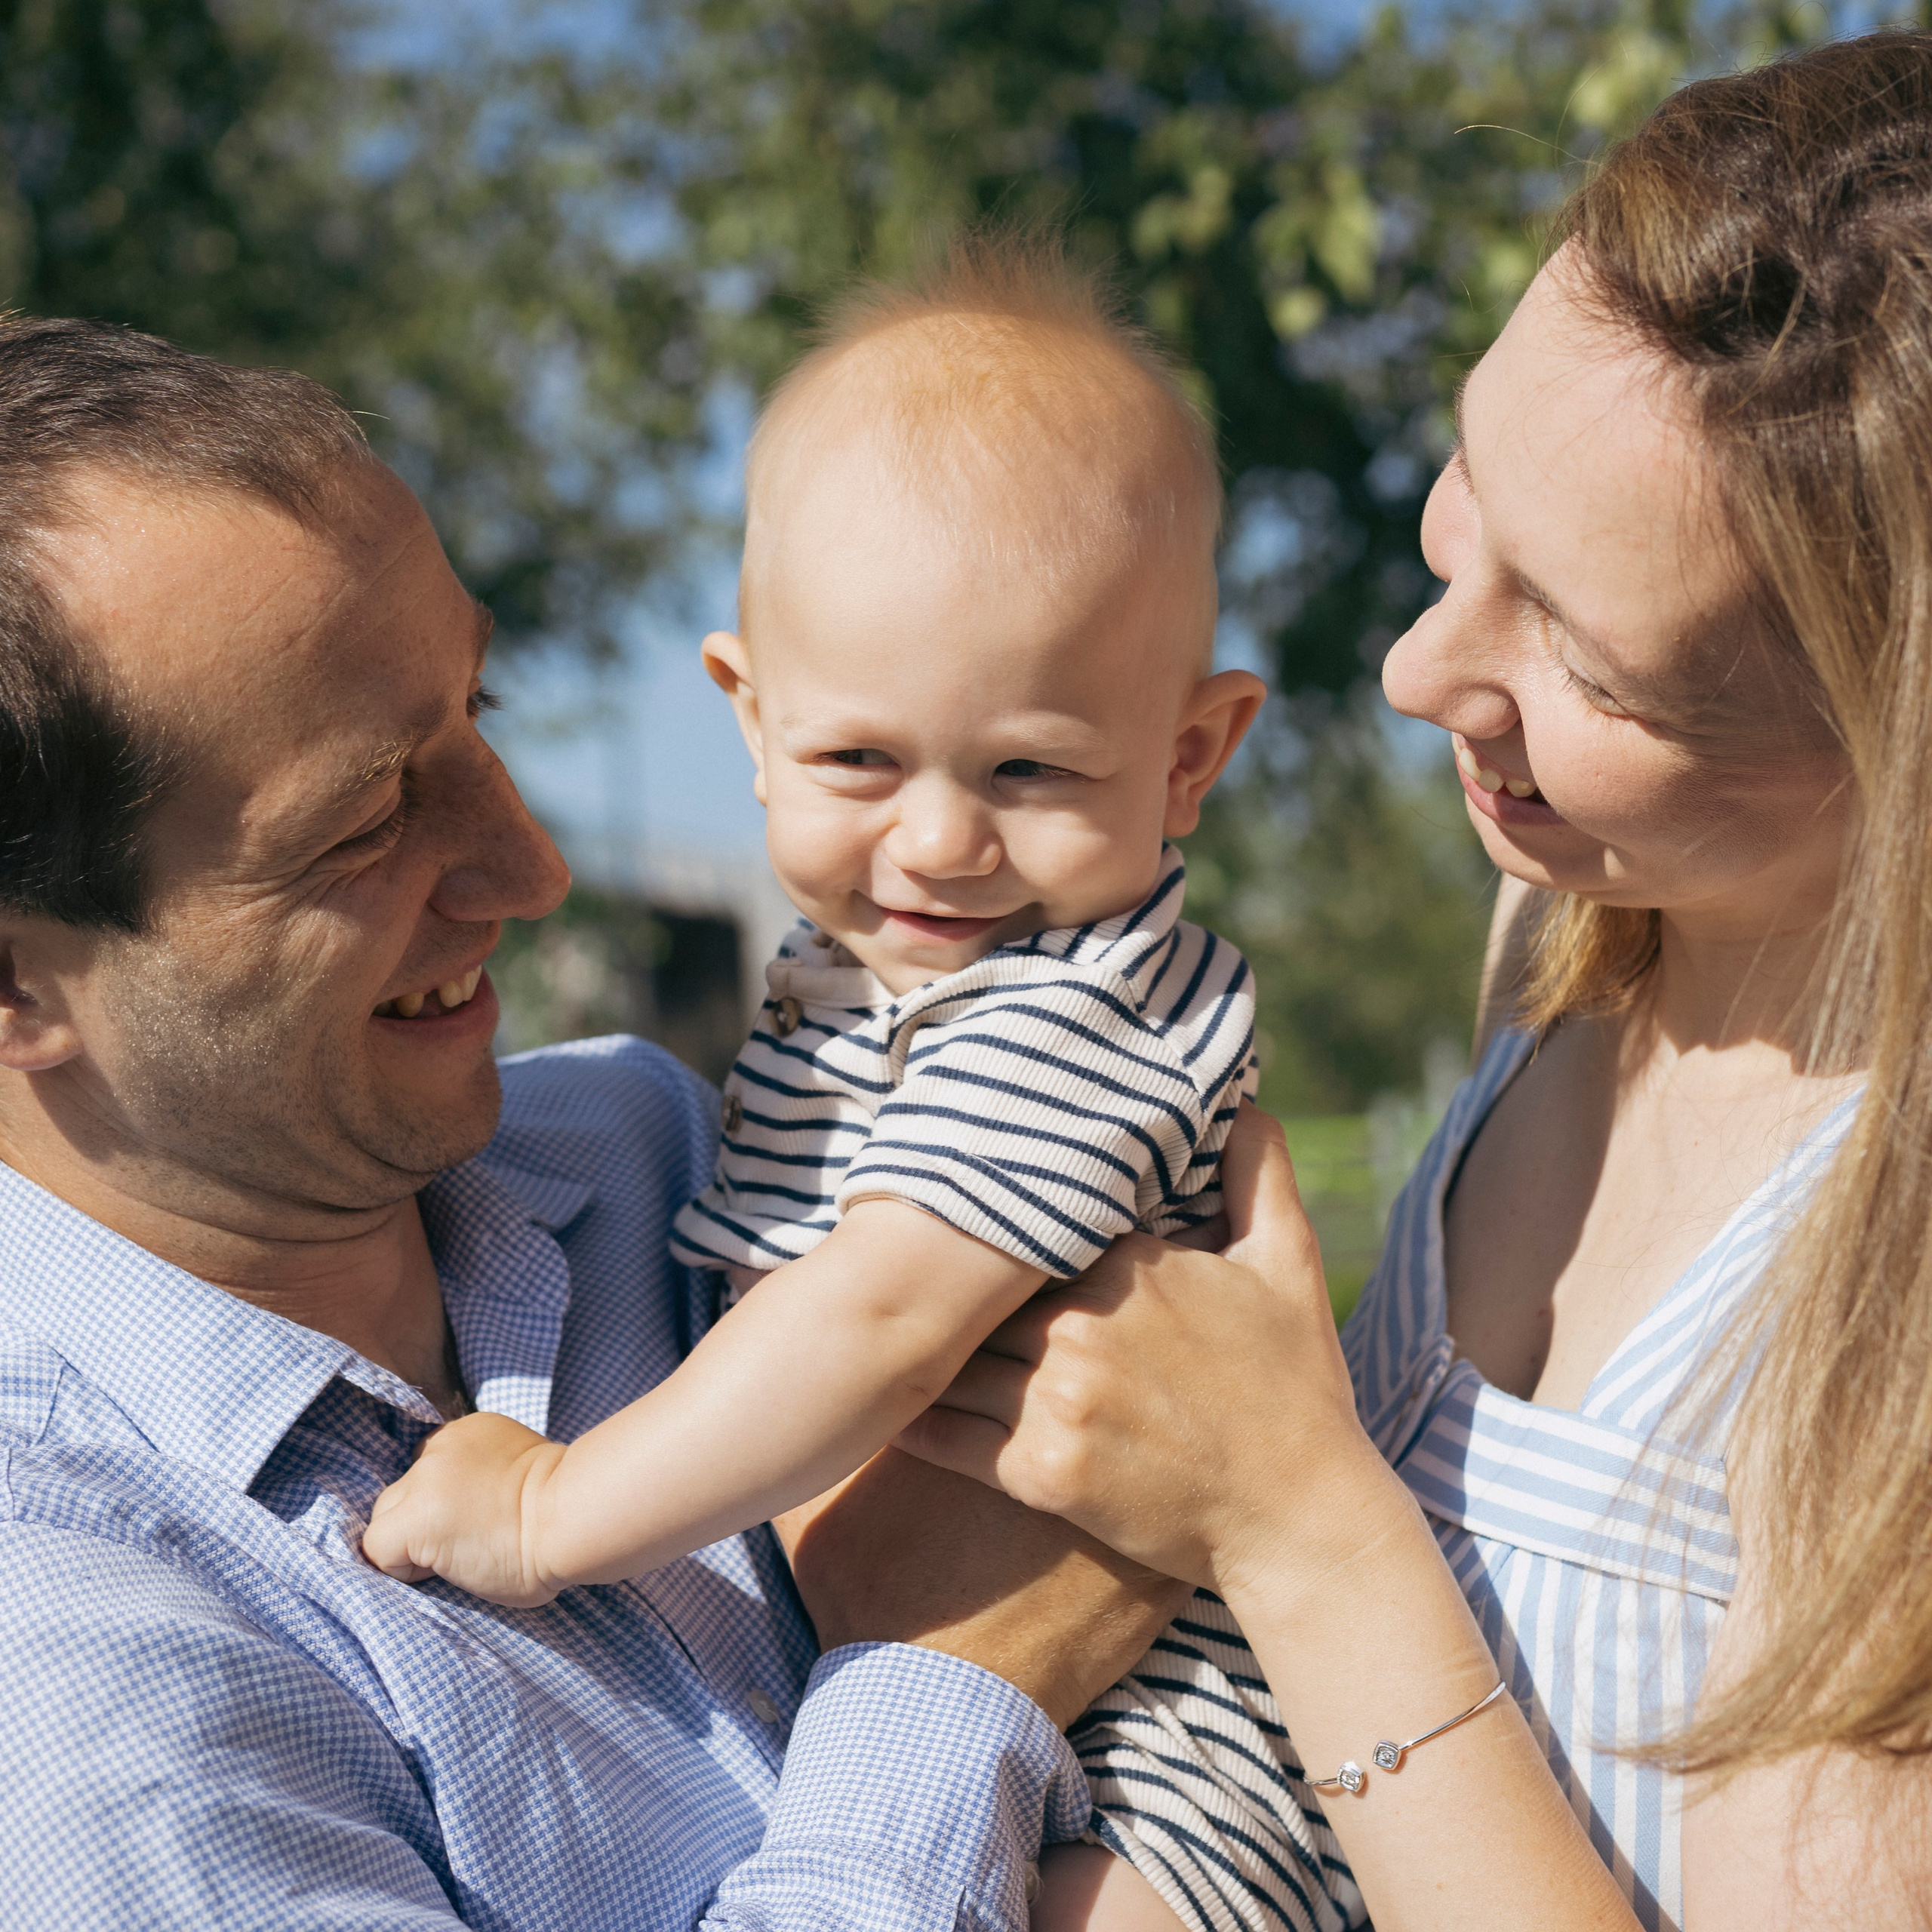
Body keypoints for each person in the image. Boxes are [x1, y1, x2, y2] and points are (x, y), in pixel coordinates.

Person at [897, 32, 1932, 1932]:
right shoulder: (1585, 960)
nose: (1409, 671)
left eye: (1594, 670)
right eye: (1468, 498)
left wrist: (1294, 1514)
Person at [0, 312, 1203, 1927]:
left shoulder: (659, 1150)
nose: (529, 863)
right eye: (364, 821)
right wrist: (953, 1665)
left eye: (476, 707)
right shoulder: (69, 1660)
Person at [360, 245, 1275, 1878]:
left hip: (1166, 1756)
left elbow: (877, 1315)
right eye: (859, 757)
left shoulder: (1084, 1010)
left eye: (1029, 767)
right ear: (748, 712)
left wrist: (545, 1512)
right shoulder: (852, 985)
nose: (937, 838)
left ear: (1188, 754)